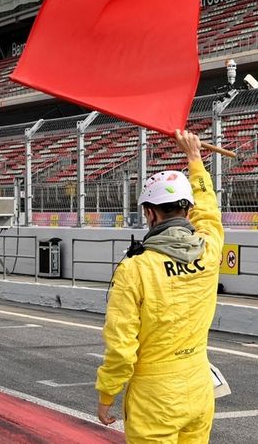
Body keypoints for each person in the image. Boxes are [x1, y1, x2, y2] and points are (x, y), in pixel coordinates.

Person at [96, 129, 224, 442]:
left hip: (155, 396)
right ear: (187, 210)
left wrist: (107, 393)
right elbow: (210, 212)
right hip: (199, 388)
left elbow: (122, 345)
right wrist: (195, 159)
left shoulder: (135, 268)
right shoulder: (209, 249)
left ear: (151, 213)